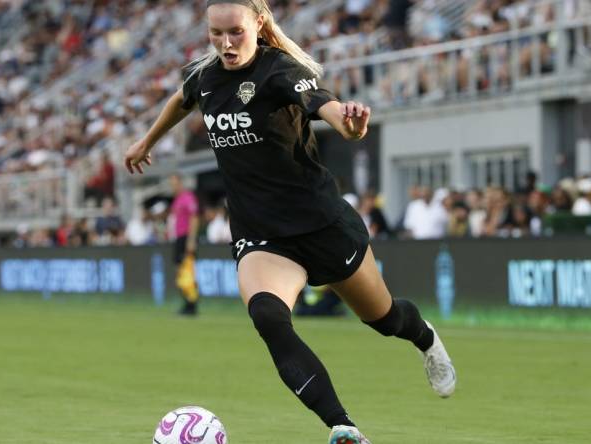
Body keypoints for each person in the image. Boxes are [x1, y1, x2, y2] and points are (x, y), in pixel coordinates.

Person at [123, 1, 456, 442]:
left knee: (384, 318)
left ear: (258, 23)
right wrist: (147, 141)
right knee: (268, 317)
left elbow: (325, 105)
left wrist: (349, 127)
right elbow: (181, 100)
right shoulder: (204, 76)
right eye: (215, 34)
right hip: (261, 233)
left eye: (235, 32)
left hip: (321, 223)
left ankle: (426, 338)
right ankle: (343, 427)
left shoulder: (279, 69)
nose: (225, 44)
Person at [169, 174, 200, 316]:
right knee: (180, 272)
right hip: (179, 238)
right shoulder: (177, 200)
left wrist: (191, 240)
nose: (173, 187)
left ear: (180, 183)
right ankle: (187, 303)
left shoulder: (187, 197)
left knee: (187, 272)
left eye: (174, 183)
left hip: (185, 238)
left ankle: (191, 304)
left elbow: (195, 217)